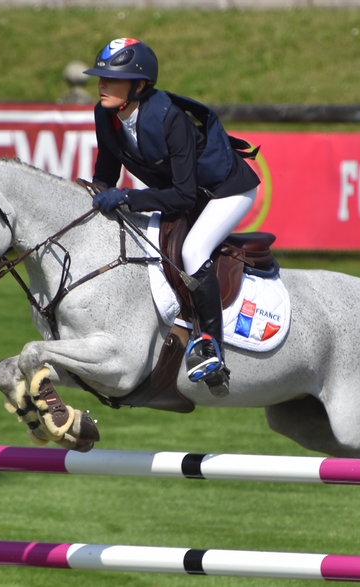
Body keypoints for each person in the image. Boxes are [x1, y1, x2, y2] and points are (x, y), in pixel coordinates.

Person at [84, 38, 259, 397]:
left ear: (139, 84)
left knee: (193, 251)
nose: (101, 84)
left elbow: (183, 196)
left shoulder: (170, 119)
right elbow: (106, 171)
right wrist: (96, 193)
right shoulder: (106, 114)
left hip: (227, 191)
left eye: (111, 78)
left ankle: (210, 343)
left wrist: (129, 197)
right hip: (188, 194)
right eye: (100, 76)